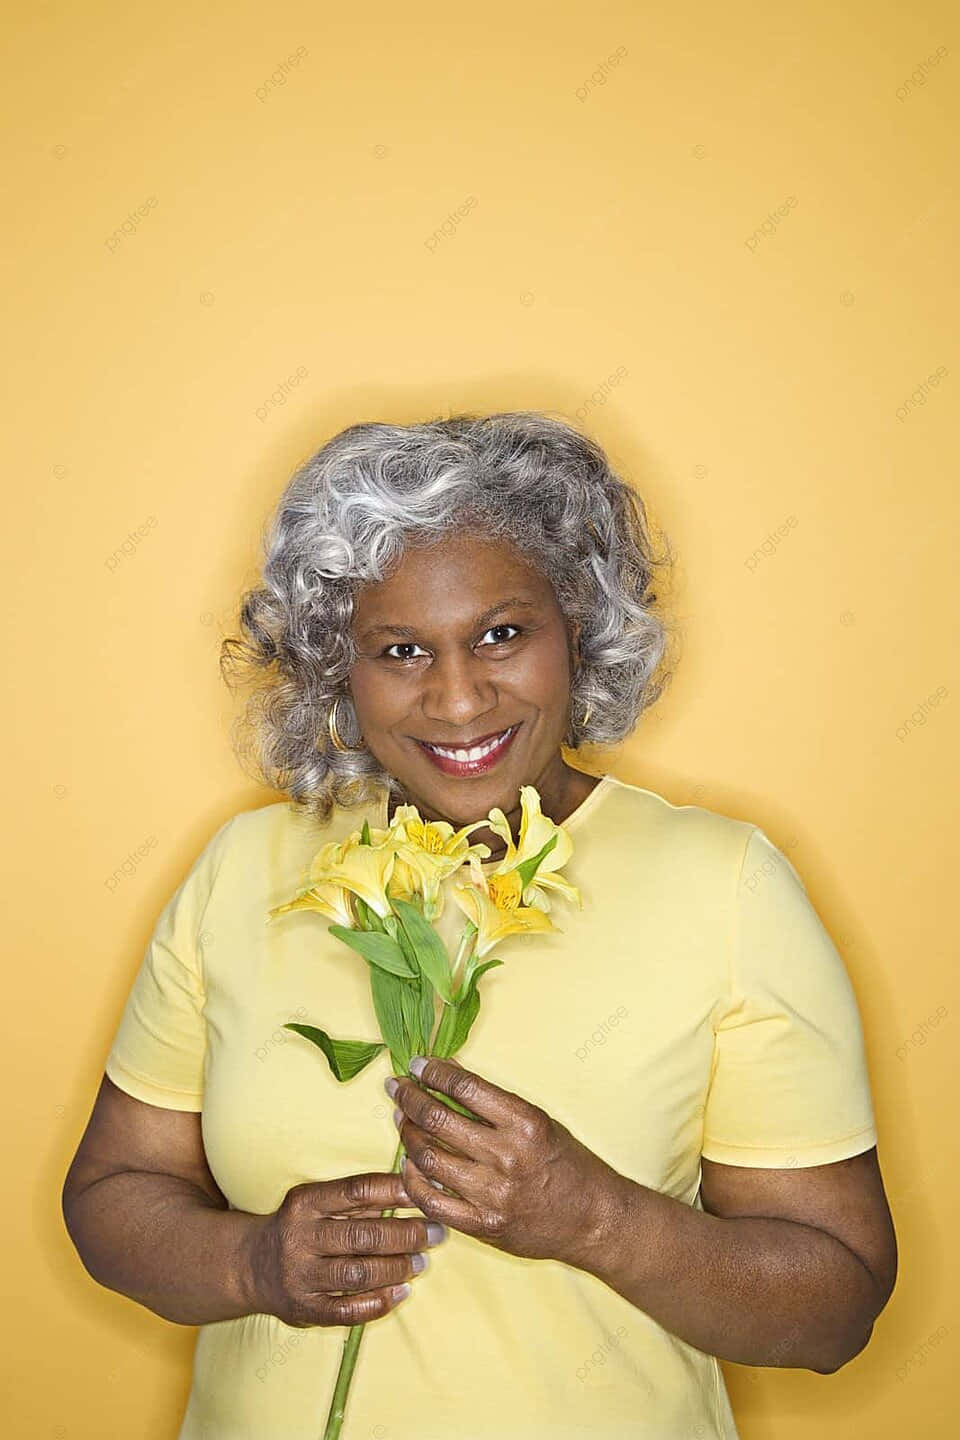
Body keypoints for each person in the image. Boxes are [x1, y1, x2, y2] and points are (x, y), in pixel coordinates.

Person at [61, 411, 897, 1439]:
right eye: (400, 649)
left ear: (579, 629)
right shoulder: (246, 872)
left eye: (502, 634)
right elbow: (113, 1192)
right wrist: (251, 1263)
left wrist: (594, 1218)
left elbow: (836, 1309)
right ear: (339, 669)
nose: (458, 699)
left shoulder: (725, 886)